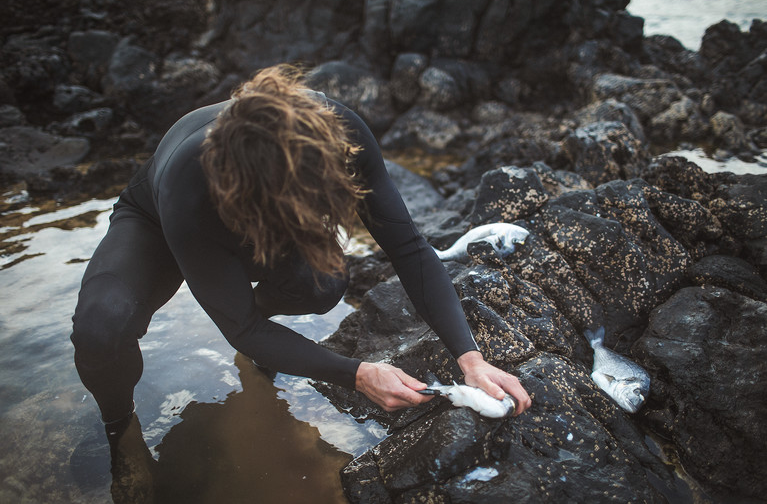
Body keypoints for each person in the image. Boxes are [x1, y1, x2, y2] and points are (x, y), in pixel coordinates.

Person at [70, 64, 532, 436]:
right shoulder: (187, 187)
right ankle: (119, 431)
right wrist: (357, 373)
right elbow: (240, 328)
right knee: (100, 327)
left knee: (322, 281)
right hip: (160, 218)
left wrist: (471, 359)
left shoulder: (338, 131)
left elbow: (409, 248)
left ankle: (272, 342)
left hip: (261, 210)